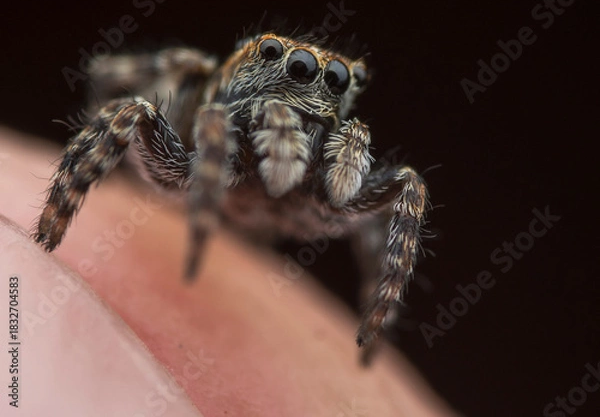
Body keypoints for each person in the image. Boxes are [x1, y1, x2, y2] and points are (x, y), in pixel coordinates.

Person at [0, 127, 457, 416]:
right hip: (189, 168)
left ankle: (379, 318)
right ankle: (45, 237)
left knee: (406, 183)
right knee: (133, 108)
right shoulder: (216, 117)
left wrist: (379, 309)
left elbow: (384, 199)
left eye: (334, 80)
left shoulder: (342, 142)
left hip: (282, 211)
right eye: (288, 67)